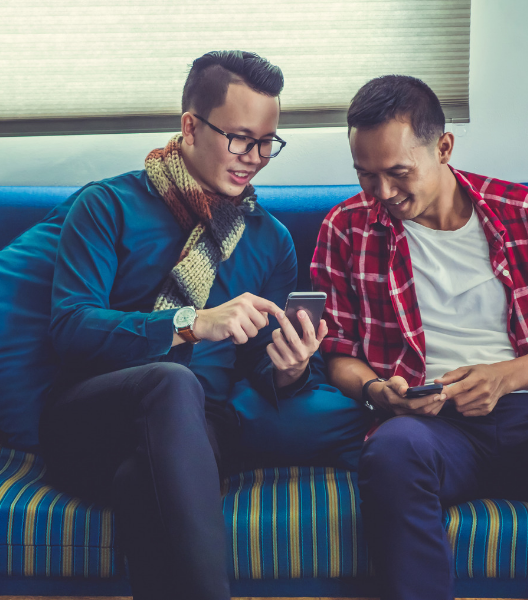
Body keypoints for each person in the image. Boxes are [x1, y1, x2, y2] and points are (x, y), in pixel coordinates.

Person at [0, 51, 370, 599]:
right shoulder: (107, 206)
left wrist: (290, 370)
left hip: (201, 433)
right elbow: (72, 326)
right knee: (173, 381)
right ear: (191, 126)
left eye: (269, 142)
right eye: (241, 138)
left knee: (142, 479)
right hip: (88, 414)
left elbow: (258, 371)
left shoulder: (270, 241)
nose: (256, 158)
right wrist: (190, 323)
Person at [310, 74, 528, 600]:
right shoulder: (345, 229)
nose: (383, 193)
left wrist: (504, 377)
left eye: (399, 173)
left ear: (443, 147)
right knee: (391, 455)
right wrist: (377, 392)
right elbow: (338, 354)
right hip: (431, 425)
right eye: (366, 175)